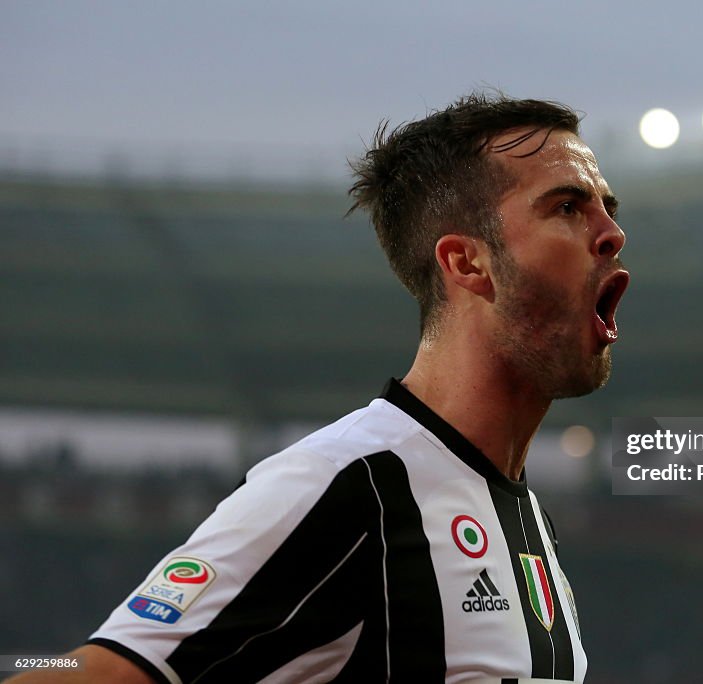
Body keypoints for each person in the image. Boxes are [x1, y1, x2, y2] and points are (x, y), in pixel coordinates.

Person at [13, 92, 628, 683]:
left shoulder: (519, 513)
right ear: (467, 263)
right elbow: (97, 668)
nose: (611, 233)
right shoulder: (347, 484)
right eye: (568, 208)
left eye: (608, 207)